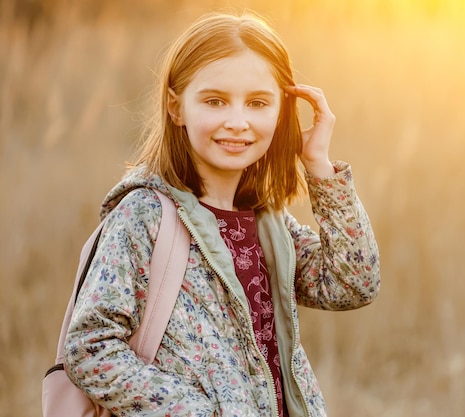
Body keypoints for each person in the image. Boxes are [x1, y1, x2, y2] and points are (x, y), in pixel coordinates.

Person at [64, 11, 380, 417]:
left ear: (282, 112)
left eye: (258, 103)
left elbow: (352, 283)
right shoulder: (144, 216)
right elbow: (90, 346)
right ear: (176, 108)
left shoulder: (268, 224)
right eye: (214, 101)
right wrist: (197, 412)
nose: (237, 122)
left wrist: (318, 165)